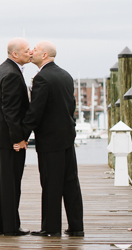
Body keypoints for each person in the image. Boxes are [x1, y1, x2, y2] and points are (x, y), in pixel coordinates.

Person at [18, 41, 84, 237]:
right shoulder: (66, 75)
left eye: (35, 50)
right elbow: (70, 106)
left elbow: (35, 112)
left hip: (50, 140)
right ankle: (76, 227)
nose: (31, 52)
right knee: (71, 183)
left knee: (51, 183)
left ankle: (51, 228)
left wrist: (22, 136)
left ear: (45, 55)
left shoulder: (42, 78)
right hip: (67, 138)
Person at [0, 38, 32, 236]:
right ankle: (11, 227)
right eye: (27, 50)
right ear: (15, 54)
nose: (31, 52)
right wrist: (18, 139)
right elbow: (11, 112)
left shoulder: (0, 70)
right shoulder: (12, 75)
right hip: (8, 140)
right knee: (11, 183)